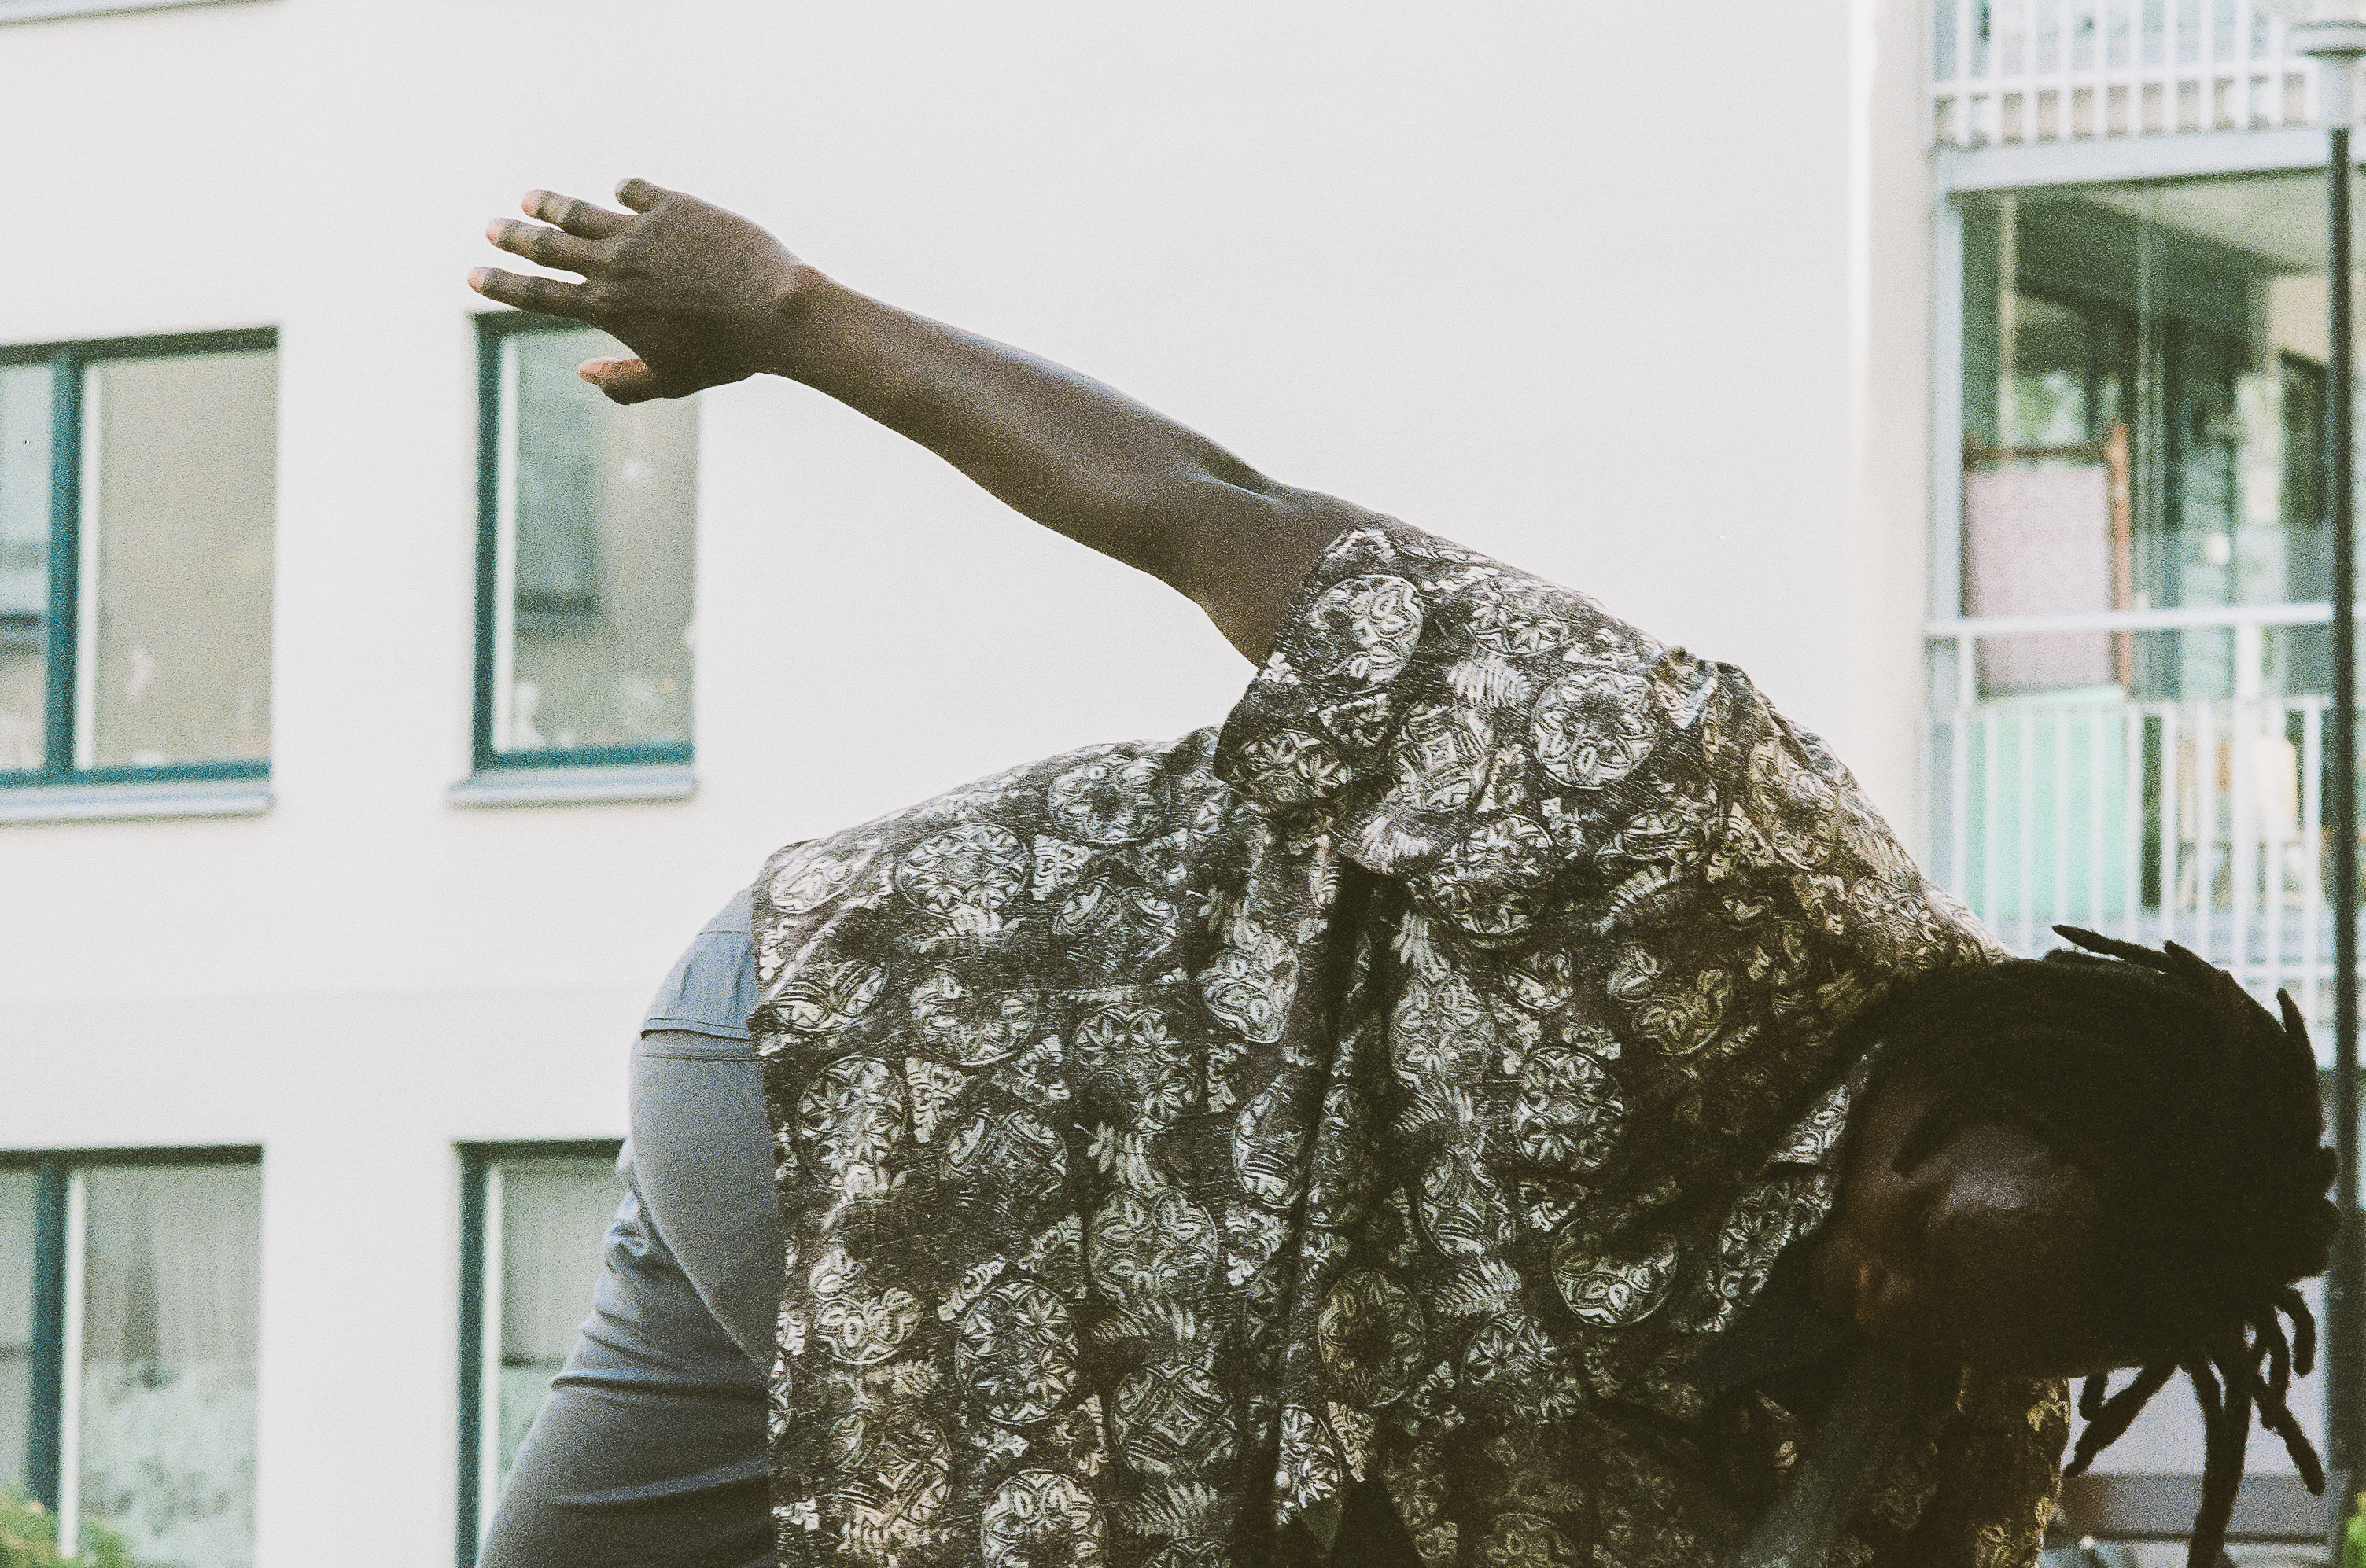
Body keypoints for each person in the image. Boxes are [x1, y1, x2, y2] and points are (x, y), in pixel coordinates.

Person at [467, 179, 2339, 1568]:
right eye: (1925, 1233)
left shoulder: (1964, 1382)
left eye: (2001, 1325)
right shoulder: (1675, 831)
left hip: (1174, 1296)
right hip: (901, 1058)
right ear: (1951, 1077)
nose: (1905, 1308)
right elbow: (1221, 518)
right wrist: (789, 308)